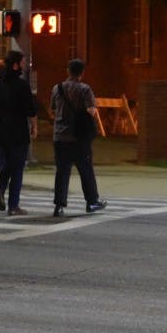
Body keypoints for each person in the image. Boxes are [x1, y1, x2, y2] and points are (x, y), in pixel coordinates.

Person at [50, 59, 108, 217]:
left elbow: (53, 111)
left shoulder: (57, 88)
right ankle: (91, 202)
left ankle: (59, 205)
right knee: (86, 170)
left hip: (60, 136)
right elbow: (91, 110)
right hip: (79, 137)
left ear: (68, 71)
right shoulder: (85, 89)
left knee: (62, 172)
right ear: (82, 73)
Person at [0, 50, 38, 216]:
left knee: (10, 161)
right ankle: (13, 205)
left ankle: (0, 187)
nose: (25, 66)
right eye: (23, 63)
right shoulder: (21, 85)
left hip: (0, 128)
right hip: (18, 129)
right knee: (17, 167)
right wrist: (34, 126)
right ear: (16, 65)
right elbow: (30, 109)